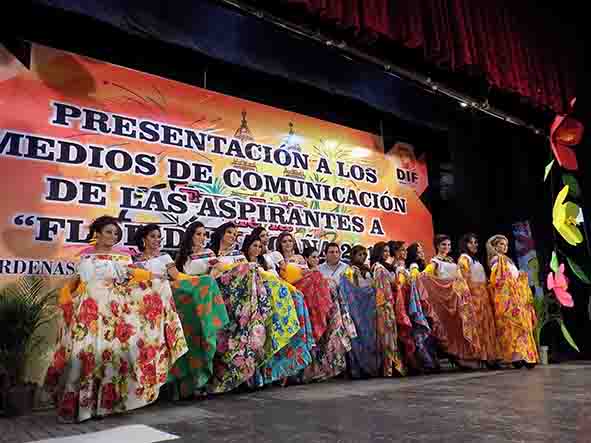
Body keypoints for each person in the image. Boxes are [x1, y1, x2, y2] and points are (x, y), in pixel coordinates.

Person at [44, 216, 188, 423]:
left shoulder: (123, 257)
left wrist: (156, 280)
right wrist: (65, 298)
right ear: (98, 233)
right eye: (109, 232)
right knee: (86, 355)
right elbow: (75, 282)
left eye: (116, 233)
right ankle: (84, 407)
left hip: (115, 312)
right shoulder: (85, 257)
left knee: (109, 356)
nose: (113, 237)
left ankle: (104, 407)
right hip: (89, 311)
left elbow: (135, 275)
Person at [151, 222, 229, 399]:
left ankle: (200, 378)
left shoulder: (210, 253)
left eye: (204, 235)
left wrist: (210, 274)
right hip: (186, 295)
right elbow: (178, 278)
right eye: (198, 234)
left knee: (203, 329)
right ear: (190, 236)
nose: (202, 238)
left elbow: (218, 271)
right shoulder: (181, 256)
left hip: (206, 292)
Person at [241, 232, 314, 387]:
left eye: (260, 246)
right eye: (255, 245)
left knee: (298, 300)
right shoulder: (242, 261)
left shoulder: (266, 261)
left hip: (280, 294)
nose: (258, 248)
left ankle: (287, 370)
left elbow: (278, 279)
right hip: (259, 297)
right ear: (247, 247)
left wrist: (291, 289)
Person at [206, 222, 271, 393]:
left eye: (235, 234)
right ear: (221, 234)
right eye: (229, 232)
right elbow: (213, 274)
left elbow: (251, 272)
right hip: (221, 294)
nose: (233, 236)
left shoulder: (239, 256)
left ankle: (245, 374)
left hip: (242, 299)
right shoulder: (210, 254)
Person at [423, 234, 481, 368]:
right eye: (443, 244)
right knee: (450, 328)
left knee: (460, 326)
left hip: (457, 298)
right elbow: (425, 276)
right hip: (446, 299)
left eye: (448, 245)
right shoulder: (434, 262)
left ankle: (465, 355)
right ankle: (454, 355)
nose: (446, 247)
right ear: (437, 246)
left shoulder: (450, 260)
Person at [486, 235, 538, 368]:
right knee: (513, 326)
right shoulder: (496, 259)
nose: (505, 247)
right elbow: (497, 280)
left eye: (506, 244)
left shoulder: (508, 260)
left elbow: (513, 277)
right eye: (501, 244)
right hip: (507, 298)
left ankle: (521, 356)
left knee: (519, 325)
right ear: (495, 246)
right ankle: (517, 357)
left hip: (516, 297)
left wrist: (521, 277)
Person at [458, 233, 499, 367]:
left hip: (483, 296)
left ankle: (489, 357)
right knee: (479, 327)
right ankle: (480, 356)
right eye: (471, 242)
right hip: (474, 296)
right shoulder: (464, 258)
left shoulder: (476, 260)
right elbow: (462, 280)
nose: (474, 245)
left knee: (487, 326)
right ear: (465, 244)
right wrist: (468, 297)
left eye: (476, 242)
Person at [341, 245, 380, 378]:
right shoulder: (350, 270)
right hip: (357, 308)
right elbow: (351, 290)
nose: (362, 257)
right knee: (358, 337)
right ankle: (359, 368)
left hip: (370, 307)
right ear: (353, 255)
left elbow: (373, 286)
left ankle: (371, 367)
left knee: (371, 337)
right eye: (359, 254)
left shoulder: (368, 269)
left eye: (364, 254)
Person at [370, 242, 405, 376]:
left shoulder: (386, 266)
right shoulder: (378, 267)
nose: (386, 253)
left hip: (391, 303)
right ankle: (389, 368)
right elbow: (381, 289)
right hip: (384, 305)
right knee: (387, 335)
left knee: (391, 335)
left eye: (387, 251)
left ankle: (392, 366)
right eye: (383, 251)